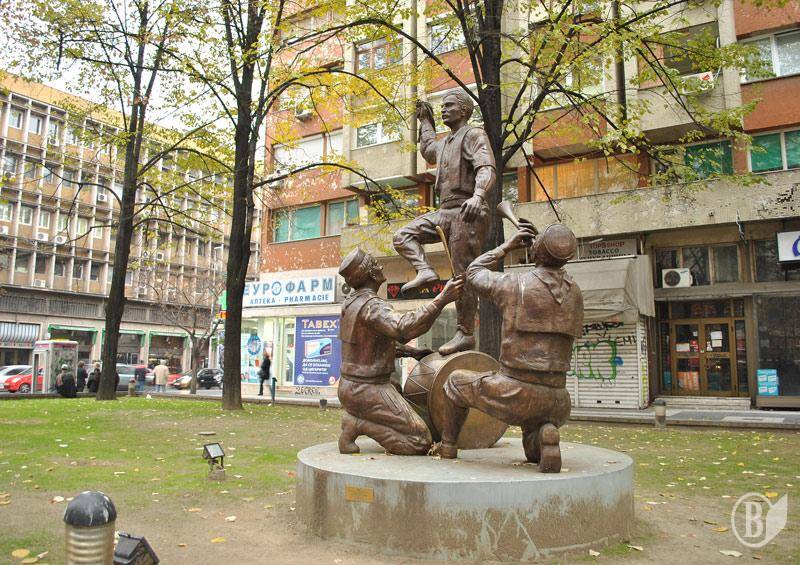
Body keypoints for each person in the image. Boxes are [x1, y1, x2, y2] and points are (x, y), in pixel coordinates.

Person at [437, 223, 584, 473]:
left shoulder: (515, 284)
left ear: (536, 252)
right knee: (532, 444)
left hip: (515, 393)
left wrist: (506, 246)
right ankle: (546, 433)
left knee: (455, 383)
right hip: (558, 402)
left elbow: (473, 272)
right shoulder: (576, 293)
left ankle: (448, 446)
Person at [392, 89, 496, 356]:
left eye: (449, 105)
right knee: (402, 236)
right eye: (442, 106)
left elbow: (486, 167)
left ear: (464, 110)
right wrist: (425, 120)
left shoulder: (473, 135)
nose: (444, 109)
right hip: (445, 211)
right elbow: (428, 149)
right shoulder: (444, 143)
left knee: (462, 275)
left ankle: (465, 333)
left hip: (467, 210)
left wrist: (479, 196)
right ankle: (425, 271)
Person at [336, 247, 464, 455]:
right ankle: (357, 423)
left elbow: (366, 346)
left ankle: (361, 420)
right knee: (419, 441)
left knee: (401, 395)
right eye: (375, 264)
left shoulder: (351, 303)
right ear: (370, 274)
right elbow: (403, 328)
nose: (380, 266)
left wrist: (410, 352)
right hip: (367, 390)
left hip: (350, 386)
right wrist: (442, 298)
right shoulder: (372, 307)